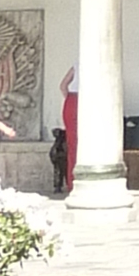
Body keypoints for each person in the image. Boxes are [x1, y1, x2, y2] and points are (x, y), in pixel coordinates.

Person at [54, 66, 77, 196]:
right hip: (80, 100)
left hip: (72, 101)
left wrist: (70, 99)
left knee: (73, 145)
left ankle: (71, 182)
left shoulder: (76, 65)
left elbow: (63, 85)